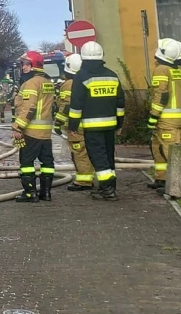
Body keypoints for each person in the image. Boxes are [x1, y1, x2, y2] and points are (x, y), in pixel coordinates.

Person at [65, 42, 124, 200]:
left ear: (83, 57)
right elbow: (120, 103)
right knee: (108, 156)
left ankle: (108, 191)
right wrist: (119, 123)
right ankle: (111, 186)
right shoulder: (112, 75)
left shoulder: (81, 76)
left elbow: (76, 105)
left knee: (98, 157)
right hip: (110, 126)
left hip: (92, 127)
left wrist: (73, 126)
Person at [11, 50, 57, 202]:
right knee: (47, 163)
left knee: (26, 163)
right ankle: (46, 193)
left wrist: (18, 127)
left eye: (25, 64)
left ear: (33, 65)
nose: (22, 67)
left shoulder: (31, 83)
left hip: (31, 132)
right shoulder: (47, 82)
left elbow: (29, 108)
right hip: (45, 133)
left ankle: (30, 193)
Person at [147, 38, 181, 191]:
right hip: (175, 119)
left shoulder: (161, 70)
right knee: (158, 149)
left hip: (166, 120)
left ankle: (174, 184)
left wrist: (153, 116)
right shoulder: (175, 70)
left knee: (167, 152)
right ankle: (162, 178)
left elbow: (161, 95)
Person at [56, 53, 95, 192]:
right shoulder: (88, 79)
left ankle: (84, 181)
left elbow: (66, 105)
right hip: (89, 123)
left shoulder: (69, 84)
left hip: (76, 126)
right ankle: (89, 177)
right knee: (88, 152)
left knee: (79, 153)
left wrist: (57, 122)